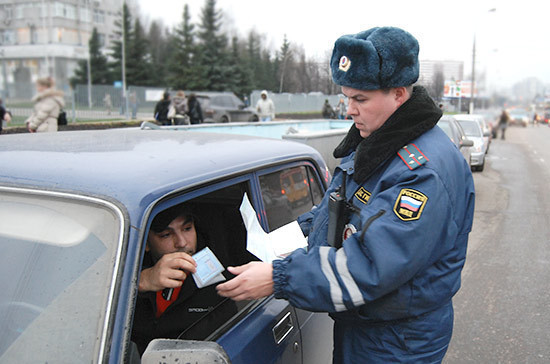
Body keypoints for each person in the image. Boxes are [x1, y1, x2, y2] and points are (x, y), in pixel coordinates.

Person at [217, 26, 475, 364]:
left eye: (360, 99)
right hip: (369, 328)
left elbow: (371, 265)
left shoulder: (421, 172)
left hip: (397, 342)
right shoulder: (379, 142)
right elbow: (344, 210)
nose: (349, 110)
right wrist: (294, 234)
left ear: (399, 94)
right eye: (346, 97)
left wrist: (279, 278)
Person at [131, 203, 237, 356]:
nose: (181, 243)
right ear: (146, 243)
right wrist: (140, 281)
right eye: (166, 235)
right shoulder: (126, 265)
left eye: (187, 229)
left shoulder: (219, 275)